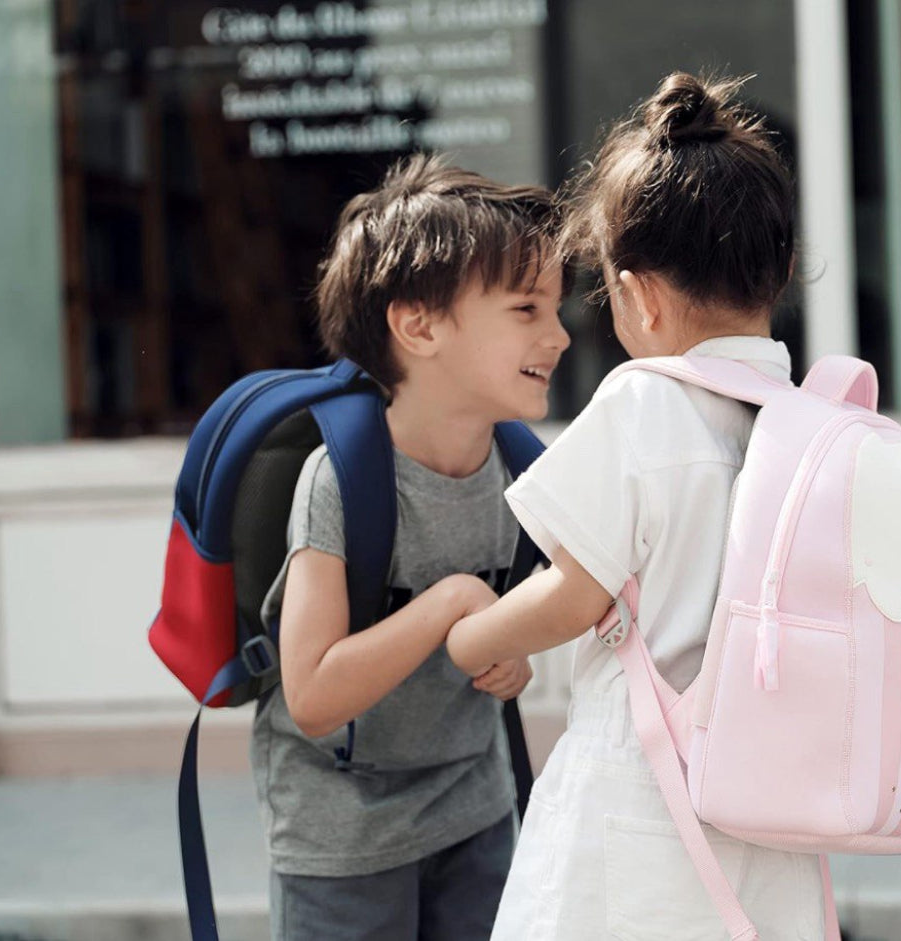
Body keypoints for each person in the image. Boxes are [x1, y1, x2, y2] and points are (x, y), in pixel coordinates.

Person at [445, 73, 827, 940]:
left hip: (647, 795)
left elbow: (576, 591)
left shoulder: (644, 400)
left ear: (640, 294)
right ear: (776, 274)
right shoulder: (803, 421)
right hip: (772, 801)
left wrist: (475, 633)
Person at [251, 153, 572, 941]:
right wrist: (453, 603)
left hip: (474, 813)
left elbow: (507, 625)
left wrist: (509, 653)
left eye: (557, 308)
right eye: (526, 309)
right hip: (342, 837)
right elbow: (312, 694)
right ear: (419, 326)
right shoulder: (343, 480)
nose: (560, 335)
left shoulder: (522, 471)